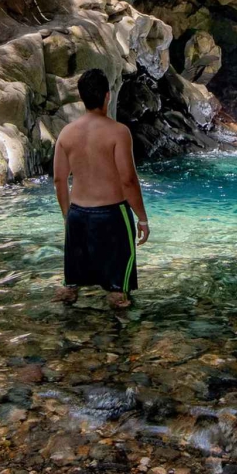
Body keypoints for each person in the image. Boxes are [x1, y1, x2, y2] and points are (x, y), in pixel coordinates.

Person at [52, 68, 149, 309]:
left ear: (82, 98)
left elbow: (59, 180)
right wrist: (142, 218)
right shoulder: (118, 132)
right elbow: (128, 179)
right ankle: (120, 342)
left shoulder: (66, 133)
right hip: (112, 216)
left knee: (70, 288)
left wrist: (68, 215)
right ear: (108, 96)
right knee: (118, 294)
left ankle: (62, 335)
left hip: (77, 215)